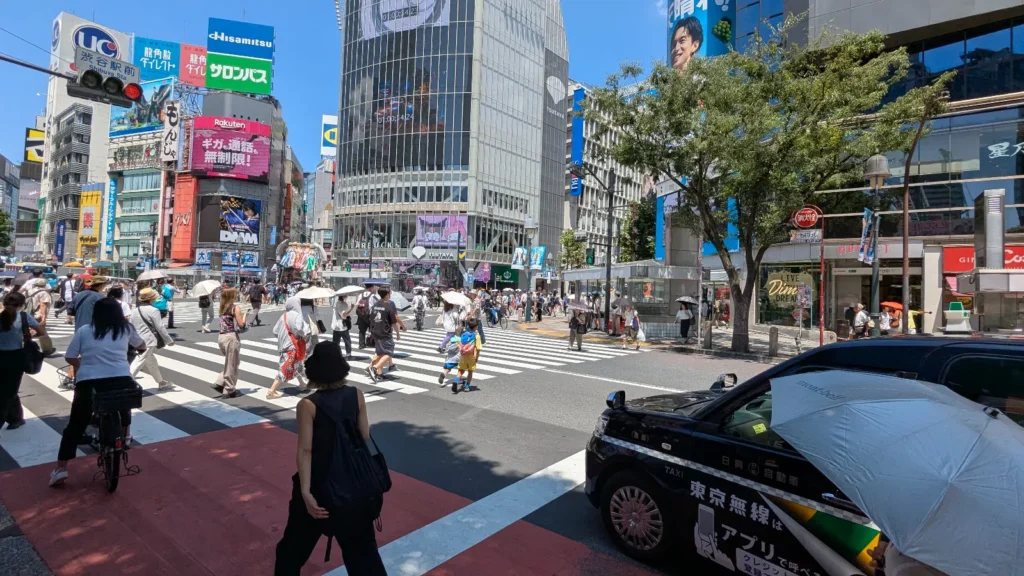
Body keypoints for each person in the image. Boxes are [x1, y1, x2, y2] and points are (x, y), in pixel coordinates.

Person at [273, 341, 386, 575]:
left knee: (292, 551)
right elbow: (364, 434)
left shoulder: (308, 405)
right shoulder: (356, 394)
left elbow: (305, 450)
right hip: (355, 486)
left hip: (320, 485)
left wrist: (305, 492)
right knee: (363, 557)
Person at [49, 298, 145, 487]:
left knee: (76, 424)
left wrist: (83, 364)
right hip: (119, 378)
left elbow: (69, 356)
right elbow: (142, 346)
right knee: (123, 403)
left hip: (89, 381)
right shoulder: (125, 329)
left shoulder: (85, 331)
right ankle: (124, 436)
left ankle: (61, 468)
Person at [0, 292, 47, 434]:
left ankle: (15, 418)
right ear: (21, 305)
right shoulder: (24, 317)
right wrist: (27, 333)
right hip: (16, 357)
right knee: (10, 390)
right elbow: (41, 332)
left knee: (7, 390)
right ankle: (12, 418)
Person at [267, 297, 311, 400]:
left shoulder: (283, 316)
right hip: (292, 346)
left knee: (297, 365)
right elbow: (299, 330)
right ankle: (271, 391)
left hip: (283, 346)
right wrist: (300, 335)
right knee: (285, 368)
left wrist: (284, 336)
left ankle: (302, 384)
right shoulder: (297, 316)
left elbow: (275, 331)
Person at [131, 288, 174, 391]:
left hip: (137, 339)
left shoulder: (135, 310)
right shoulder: (154, 310)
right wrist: (169, 340)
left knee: (151, 362)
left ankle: (161, 382)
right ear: (151, 299)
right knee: (139, 362)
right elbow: (160, 327)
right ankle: (125, 382)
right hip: (148, 340)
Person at [365, 287, 404, 383]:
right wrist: (398, 333)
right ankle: (374, 368)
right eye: (389, 294)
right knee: (388, 352)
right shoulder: (388, 307)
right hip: (385, 332)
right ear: (386, 295)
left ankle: (375, 370)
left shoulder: (375, 306)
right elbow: (394, 323)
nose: (390, 295)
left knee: (379, 353)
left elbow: (371, 320)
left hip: (375, 332)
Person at [213, 288, 245, 399]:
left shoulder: (222, 308)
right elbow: (241, 324)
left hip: (221, 337)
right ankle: (229, 389)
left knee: (232, 362)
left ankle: (220, 382)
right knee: (232, 363)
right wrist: (245, 317)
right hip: (231, 337)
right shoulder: (235, 308)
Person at [454, 318, 482, 393]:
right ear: (475, 327)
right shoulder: (477, 336)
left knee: (460, 370)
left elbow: (460, 343)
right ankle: (467, 386)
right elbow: (478, 348)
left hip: (463, 355)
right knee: (470, 371)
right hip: (471, 356)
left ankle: (456, 381)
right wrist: (476, 358)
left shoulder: (464, 334)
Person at [354, 284, 379, 349]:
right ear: (371, 288)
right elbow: (376, 305)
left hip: (361, 315)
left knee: (362, 330)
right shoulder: (373, 295)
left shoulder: (360, 295)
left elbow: (357, 304)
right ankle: (371, 342)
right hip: (369, 315)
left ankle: (361, 344)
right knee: (372, 329)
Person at [332, 294, 353, 359]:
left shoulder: (336, 303)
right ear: (343, 296)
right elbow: (344, 315)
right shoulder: (344, 304)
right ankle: (348, 353)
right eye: (346, 296)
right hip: (342, 326)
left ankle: (335, 353)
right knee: (347, 340)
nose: (347, 297)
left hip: (335, 325)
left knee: (335, 342)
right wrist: (351, 308)